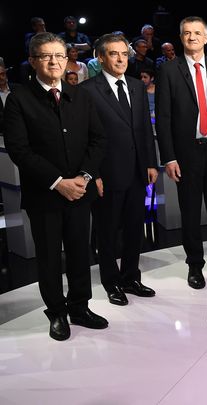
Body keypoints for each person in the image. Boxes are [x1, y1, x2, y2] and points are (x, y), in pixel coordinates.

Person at [3, 32, 108, 340]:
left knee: (79, 253)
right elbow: (19, 150)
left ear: (67, 59)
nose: (54, 62)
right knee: (49, 257)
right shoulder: (19, 99)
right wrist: (58, 182)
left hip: (80, 191)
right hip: (44, 195)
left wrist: (85, 177)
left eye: (59, 56)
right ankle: (57, 313)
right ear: (33, 61)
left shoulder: (82, 96)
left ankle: (80, 307)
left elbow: (98, 140)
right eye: (46, 56)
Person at [155, 16, 207, 289]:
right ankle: (195, 265)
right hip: (186, 153)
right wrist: (168, 157)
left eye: (197, 33)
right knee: (190, 211)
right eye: (187, 33)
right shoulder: (169, 70)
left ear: (206, 38)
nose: (192, 37)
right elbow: (164, 118)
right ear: (181, 38)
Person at [82, 33, 159, 306]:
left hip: (138, 172)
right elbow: (85, 138)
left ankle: (131, 277)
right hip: (108, 174)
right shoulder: (88, 90)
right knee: (107, 232)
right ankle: (111, 282)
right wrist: (94, 175)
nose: (120, 59)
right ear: (100, 57)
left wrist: (151, 162)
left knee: (134, 229)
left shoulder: (138, 87)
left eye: (124, 54)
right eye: (113, 54)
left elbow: (145, 131)